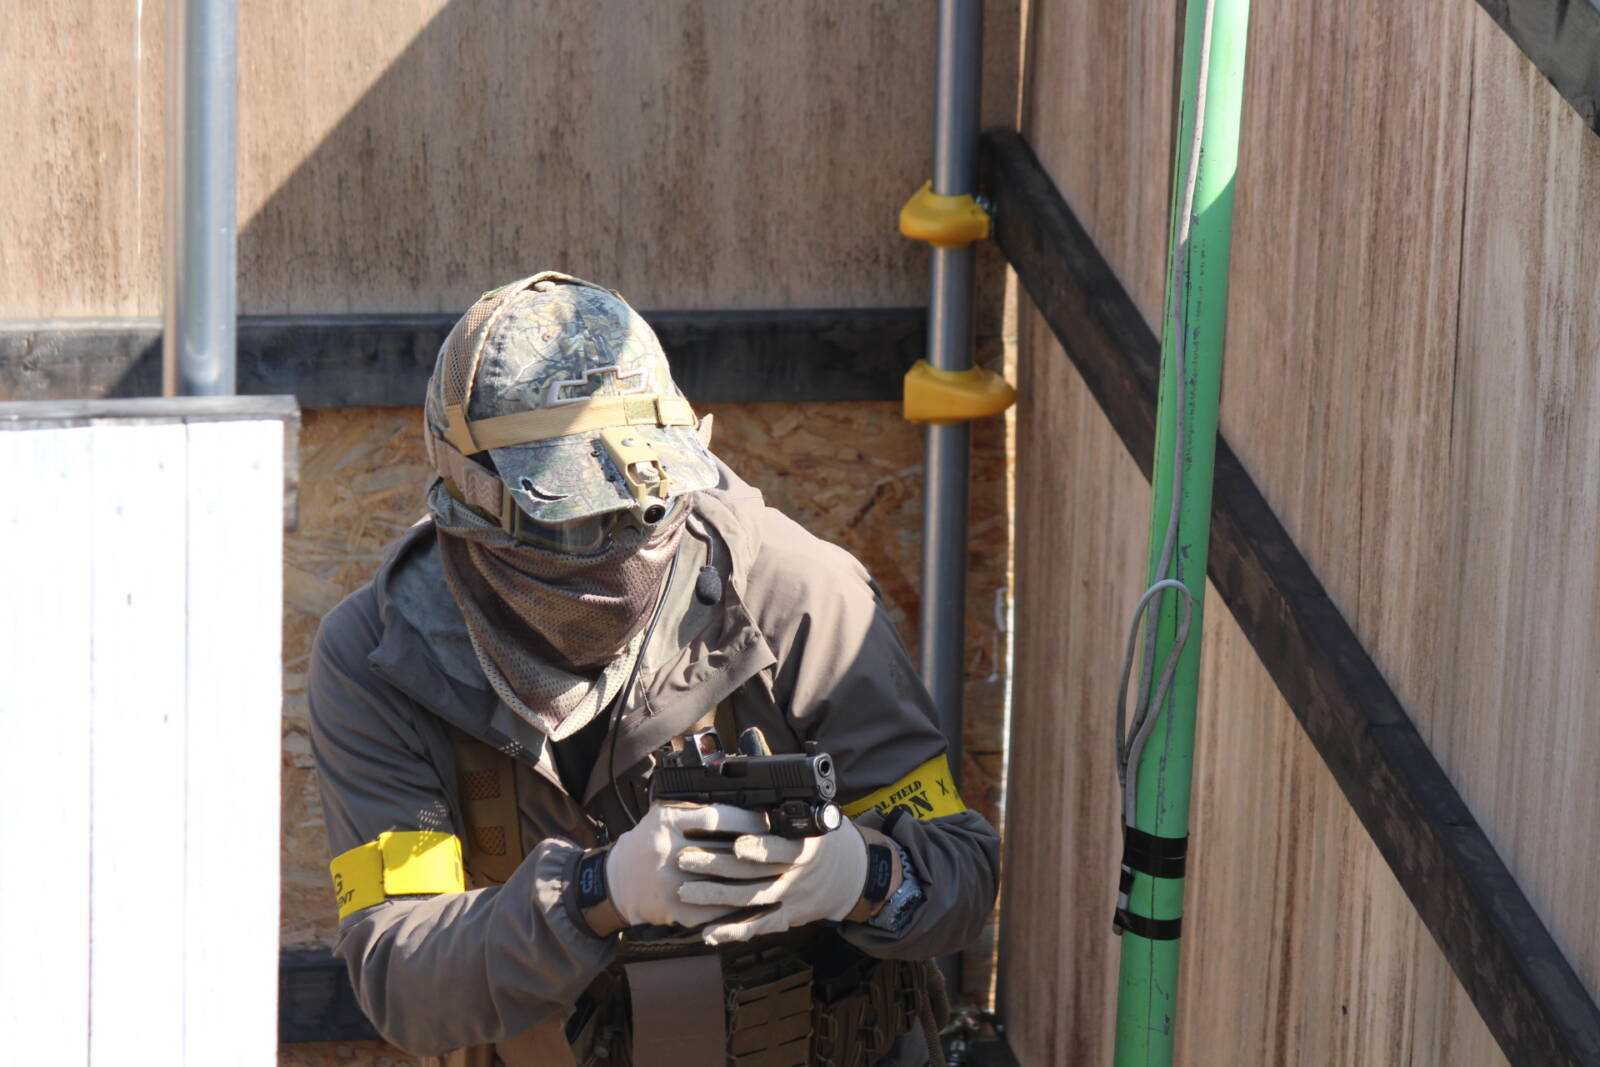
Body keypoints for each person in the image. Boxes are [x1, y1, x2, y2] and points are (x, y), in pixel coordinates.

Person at [309, 272, 1000, 1067]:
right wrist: (595, 893)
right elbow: (404, 973)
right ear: (475, 504)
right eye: (575, 521)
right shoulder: (383, 661)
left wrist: (861, 874)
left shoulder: (797, 596)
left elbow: (963, 872)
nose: (623, 548)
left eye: (646, 506)